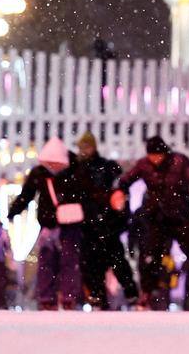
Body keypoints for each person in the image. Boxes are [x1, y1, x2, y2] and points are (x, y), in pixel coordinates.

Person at [112, 135, 189, 310]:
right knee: (149, 256)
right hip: (157, 216)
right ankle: (147, 293)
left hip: (181, 215)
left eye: (158, 156)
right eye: (151, 156)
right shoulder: (144, 164)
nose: (155, 160)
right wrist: (119, 191)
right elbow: (126, 179)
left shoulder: (179, 162)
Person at [7, 137, 88, 310]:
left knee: (68, 262)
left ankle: (67, 298)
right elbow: (26, 195)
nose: (52, 166)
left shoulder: (76, 172)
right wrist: (13, 212)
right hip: (48, 225)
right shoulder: (40, 173)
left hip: (69, 224)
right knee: (47, 262)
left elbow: (87, 196)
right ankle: (48, 298)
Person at [70, 131, 139, 309]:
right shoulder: (79, 170)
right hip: (92, 226)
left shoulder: (103, 168)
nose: (84, 150)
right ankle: (101, 296)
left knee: (114, 262)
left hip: (105, 225)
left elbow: (120, 193)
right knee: (94, 264)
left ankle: (127, 294)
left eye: (87, 147)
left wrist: (119, 219)